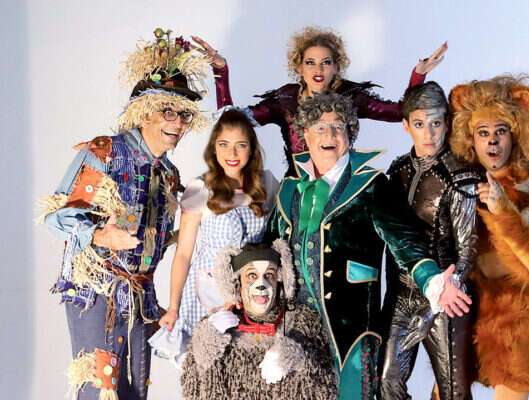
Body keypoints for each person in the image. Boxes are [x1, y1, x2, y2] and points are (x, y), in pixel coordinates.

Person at [263, 92, 471, 399]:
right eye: (320, 127)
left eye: (338, 127)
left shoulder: (371, 186)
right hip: (296, 330)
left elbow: (404, 240)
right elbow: (266, 250)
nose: (330, 134)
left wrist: (432, 280)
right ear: (305, 134)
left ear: (349, 136)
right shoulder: (290, 189)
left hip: (352, 332)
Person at [40, 28, 211, 399]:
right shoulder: (105, 153)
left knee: (134, 393)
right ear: (145, 112)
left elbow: (160, 244)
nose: (177, 123)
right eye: (168, 111)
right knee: (100, 392)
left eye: (184, 115)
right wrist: (101, 235)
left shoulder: (170, 175)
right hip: (97, 292)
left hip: (140, 301)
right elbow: (57, 219)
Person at [448, 75, 529, 400]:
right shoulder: (458, 184)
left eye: (501, 131)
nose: (492, 142)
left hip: (517, 312)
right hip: (468, 306)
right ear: (469, 138)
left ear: (516, 134)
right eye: (483, 132)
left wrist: (502, 210)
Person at [193, 26, 447, 176]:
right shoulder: (285, 100)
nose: (318, 70)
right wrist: (221, 71)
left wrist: (418, 75)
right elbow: (231, 122)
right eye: (310, 62)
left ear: (336, 66)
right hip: (298, 192)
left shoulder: (350, 97)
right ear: (299, 67)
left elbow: (402, 112)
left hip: (342, 190)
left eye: (326, 62)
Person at [149, 109, 279, 366]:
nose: (232, 154)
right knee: (206, 367)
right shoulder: (200, 187)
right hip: (208, 292)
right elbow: (184, 253)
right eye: (224, 145)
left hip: (253, 291)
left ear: (251, 148)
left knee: (249, 369)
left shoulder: (267, 183)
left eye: (241, 145)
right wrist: (173, 307)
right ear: (214, 147)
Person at [379, 81, 481, 400]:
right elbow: (392, 237)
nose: (429, 134)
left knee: (453, 391)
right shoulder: (396, 172)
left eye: (436, 123)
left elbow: (468, 250)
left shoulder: (460, 177)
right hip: (401, 294)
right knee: (387, 383)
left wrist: (444, 292)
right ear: (406, 125)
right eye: (420, 124)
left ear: (447, 123)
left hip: (448, 296)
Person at [180, 240, 338, 400]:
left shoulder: (302, 323)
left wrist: (295, 358)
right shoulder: (217, 326)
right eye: (252, 276)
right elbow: (195, 388)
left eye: (269, 275)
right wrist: (206, 341)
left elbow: (326, 386)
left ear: (280, 280)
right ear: (237, 282)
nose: (261, 284)